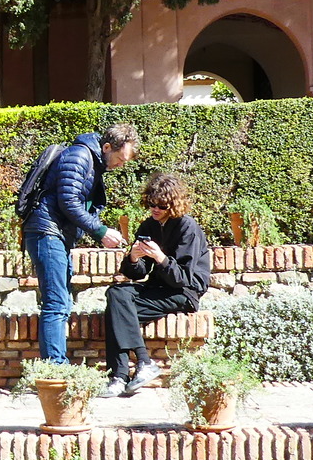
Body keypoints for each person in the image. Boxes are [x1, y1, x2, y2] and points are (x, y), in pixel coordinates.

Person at [22, 124, 137, 366]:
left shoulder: (92, 161)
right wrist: (101, 231)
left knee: (62, 302)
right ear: (107, 147)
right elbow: (69, 202)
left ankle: (56, 366)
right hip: (46, 232)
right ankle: (55, 370)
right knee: (56, 303)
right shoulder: (79, 156)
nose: (120, 165)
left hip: (55, 234)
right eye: (120, 159)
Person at [100, 172, 210, 397]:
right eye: (152, 204)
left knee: (116, 310)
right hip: (157, 288)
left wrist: (160, 257)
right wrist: (134, 258)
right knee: (116, 296)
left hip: (184, 292)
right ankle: (134, 368)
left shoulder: (187, 227)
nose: (155, 209)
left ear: (173, 204)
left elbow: (184, 278)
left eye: (162, 205)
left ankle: (121, 374)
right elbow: (137, 273)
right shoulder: (149, 226)